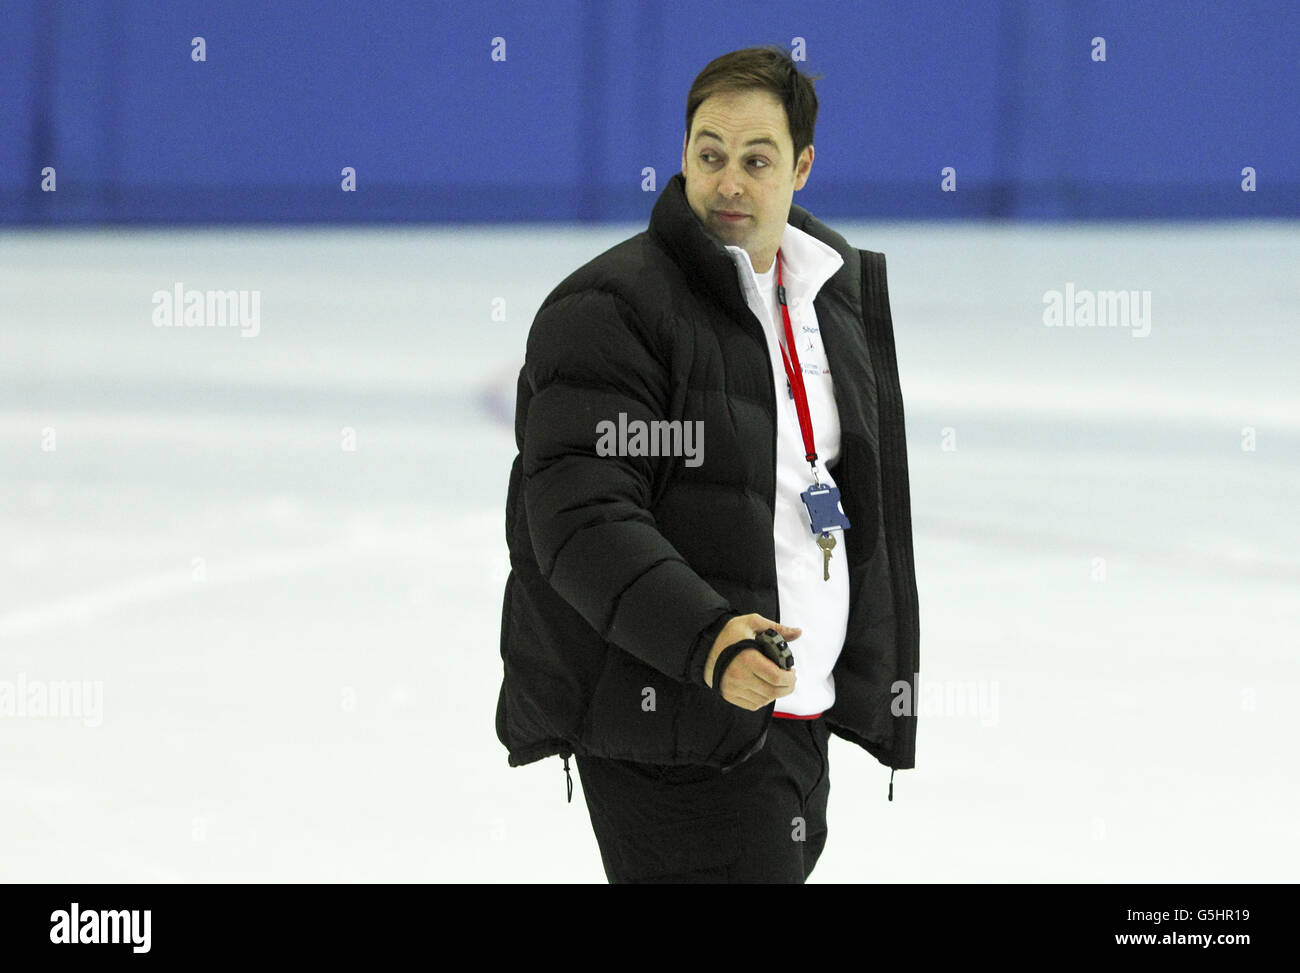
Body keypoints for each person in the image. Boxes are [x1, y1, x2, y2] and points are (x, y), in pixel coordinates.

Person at [495, 45, 920, 883]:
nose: (729, 182)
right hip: (672, 729)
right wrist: (711, 642)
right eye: (709, 154)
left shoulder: (829, 294)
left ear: (801, 166)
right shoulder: (613, 310)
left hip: (792, 718)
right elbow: (583, 520)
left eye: (756, 160)